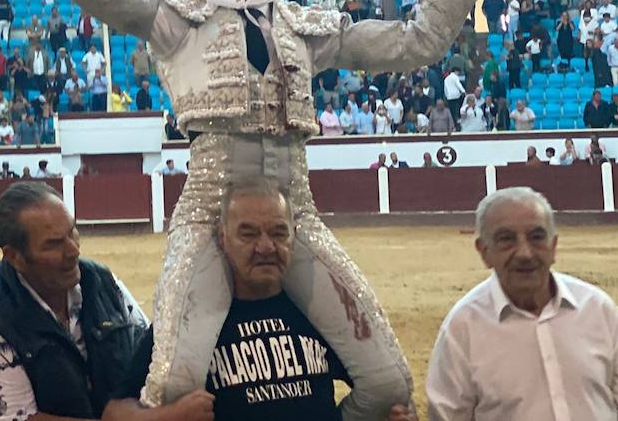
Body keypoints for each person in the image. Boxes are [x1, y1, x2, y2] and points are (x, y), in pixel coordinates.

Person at [39, 0, 488, 414]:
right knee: (173, 386)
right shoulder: (176, 16)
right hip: (206, 212)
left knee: (388, 384)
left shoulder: (309, 28)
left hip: (293, 213)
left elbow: (418, 42)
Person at [106, 175, 409, 421]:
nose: (266, 246)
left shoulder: (321, 313)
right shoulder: (188, 321)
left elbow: (375, 389)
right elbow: (114, 412)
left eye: (278, 233)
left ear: (294, 235)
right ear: (222, 238)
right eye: (248, 234)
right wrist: (168, 416)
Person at [425, 188, 618, 420]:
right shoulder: (462, 328)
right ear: (484, 252)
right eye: (506, 239)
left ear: (554, 245)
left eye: (536, 237)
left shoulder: (598, 310)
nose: (525, 253)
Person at [0, 182, 148, 420]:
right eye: (53, 244)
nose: (73, 251)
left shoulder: (102, 282)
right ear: (14, 256)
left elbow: (149, 353)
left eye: (72, 232)